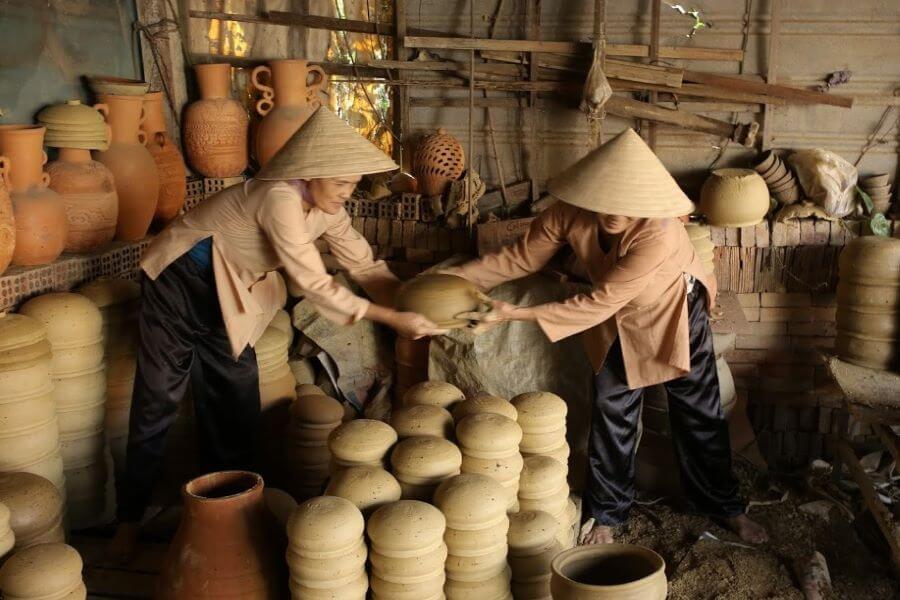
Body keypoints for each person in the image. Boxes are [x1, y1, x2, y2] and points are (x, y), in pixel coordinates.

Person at [110, 107, 446, 559]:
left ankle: (226, 516)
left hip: (229, 291)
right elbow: (313, 282)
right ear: (310, 173)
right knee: (158, 400)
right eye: (341, 183)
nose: (348, 194)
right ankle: (129, 522)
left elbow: (364, 265)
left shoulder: (328, 209)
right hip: (178, 283)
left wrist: (413, 303)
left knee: (235, 399)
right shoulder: (279, 199)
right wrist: (391, 319)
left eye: (352, 185)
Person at [447, 129, 768, 545]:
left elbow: (597, 302)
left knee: (697, 412)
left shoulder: (660, 234)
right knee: (612, 411)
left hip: (673, 309)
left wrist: (513, 314)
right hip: (615, 312)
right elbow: (521, 258)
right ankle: (608, 514)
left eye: (627, 202)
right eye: (606, 199)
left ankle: (724, 507)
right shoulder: (569, 212)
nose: (614, 211)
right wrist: (456, 278)